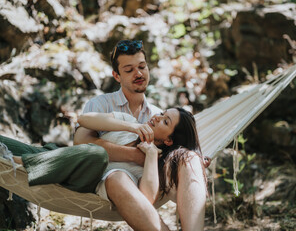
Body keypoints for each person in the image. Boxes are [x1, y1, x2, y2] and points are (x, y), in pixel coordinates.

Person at [74, 40, 208, 230]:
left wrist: (194, 157)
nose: (138, 73)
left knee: (190, 159)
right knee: (117, 178)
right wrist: (133, 154)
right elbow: (81, 142)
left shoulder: (156, 114)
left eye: (142, 67)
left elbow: (170, 148)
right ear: (116, 76)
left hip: (151, 178)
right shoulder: (101, 104)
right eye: (128, 70)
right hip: (114, 178)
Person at [77, 107, 205, 206]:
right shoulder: (128, 121)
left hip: (86, 184)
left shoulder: (152, 166)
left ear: (168, 140)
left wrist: (151, 154)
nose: (157, 117)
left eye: (165, 121)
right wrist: (133, 127)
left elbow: (147, 199)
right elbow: (83, 119)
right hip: (73, 164)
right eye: (161, 113)